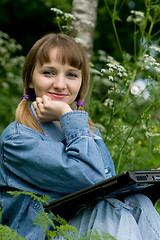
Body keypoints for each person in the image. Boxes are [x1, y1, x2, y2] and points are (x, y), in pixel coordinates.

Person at [0, 33, 160, 240]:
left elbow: (103, 189)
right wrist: (68, 115)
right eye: (48, 73)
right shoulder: (18, 139)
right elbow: (90, 179)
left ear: (81, 83)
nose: (60, 84)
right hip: (42, 235)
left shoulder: (90, 133)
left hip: (85, 229)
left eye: (72, 75)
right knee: (106, 209)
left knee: (139, 202)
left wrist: (149, 186)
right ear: (30, 79)